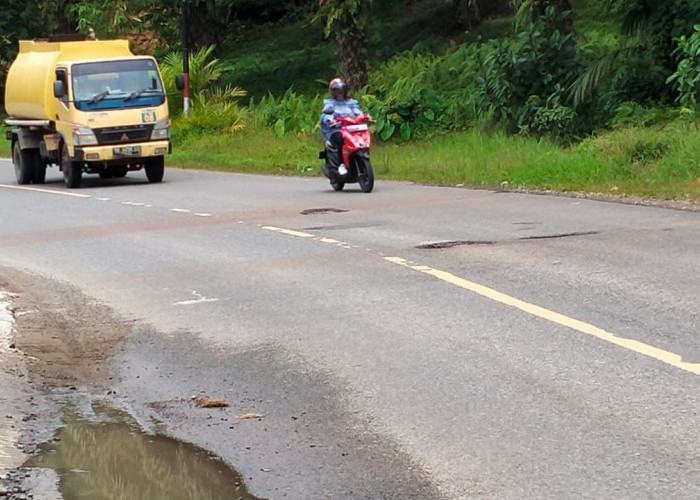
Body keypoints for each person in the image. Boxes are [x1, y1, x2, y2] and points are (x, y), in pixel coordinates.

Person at [319, 78, 363, 176]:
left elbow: (357, 112)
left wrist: (363, 117)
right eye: (337, 90)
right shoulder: (329, 103)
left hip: (351, 129)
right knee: (340, 139)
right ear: (332, 91)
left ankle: (360, 160)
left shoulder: (351, 103)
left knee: (361, 140)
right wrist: (331, 120)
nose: (339, 92)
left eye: (341, 90)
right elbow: (327, 114)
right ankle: (341, 164)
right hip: (336, 130)